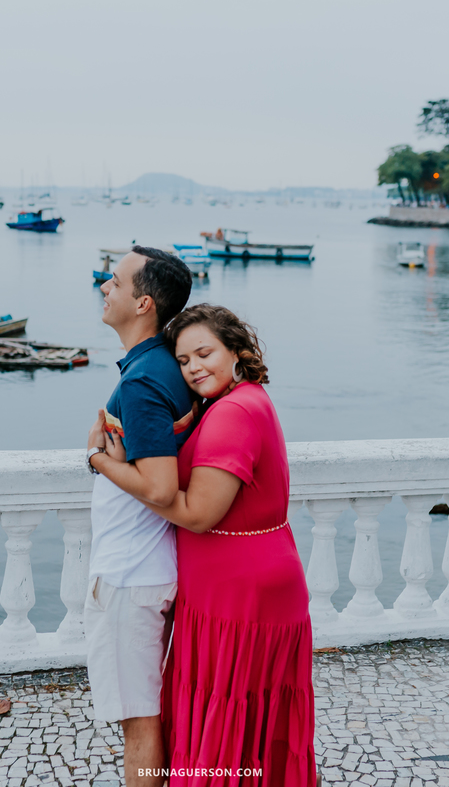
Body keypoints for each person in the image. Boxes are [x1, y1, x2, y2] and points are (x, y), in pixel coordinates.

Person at [89, 304, 318, 786]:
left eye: (204, 353)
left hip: (238, 593)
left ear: (236, 351)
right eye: (184, 360)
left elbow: (196, 514)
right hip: (244, 582)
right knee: (248, 719)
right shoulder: (242, 399)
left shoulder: (232, 413)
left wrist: (105, 463)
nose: (193, 367)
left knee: (228, 715)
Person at [84, 246, 193, 787]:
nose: (105, 287)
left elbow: (160, 486)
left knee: (139, 719)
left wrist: (98, 459)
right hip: (147, 566)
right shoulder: (160, 365)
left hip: (130, 575)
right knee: (145, 710)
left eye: (115, 281)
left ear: (144, 302)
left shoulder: (144, 381)